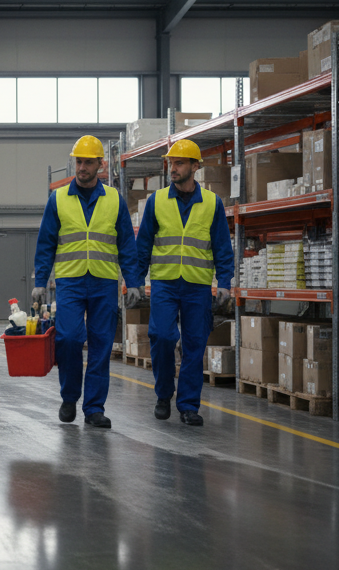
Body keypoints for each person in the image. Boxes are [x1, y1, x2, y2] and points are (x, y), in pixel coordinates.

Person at [33, 135, 141, 428]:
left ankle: (94, 408)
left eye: (88, 162)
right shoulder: (58, 199)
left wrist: (132, 281)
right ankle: (69, 397)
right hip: (70, 281)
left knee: (101, 345)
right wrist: (40, 281)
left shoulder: (114, 199)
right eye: (78, 162)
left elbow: (126, 244)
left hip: (104, 282)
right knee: (68, 339)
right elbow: (46, 244)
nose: (82, 167)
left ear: (100, 165)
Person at [134, 139, 235, 426]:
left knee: (194, 344)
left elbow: (222, 247)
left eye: (179, 163)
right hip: (164, 283)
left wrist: (224, 282)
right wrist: (136, 281)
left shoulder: (212, 203)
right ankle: (164, 394)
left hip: (197, 286)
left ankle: (188, 405)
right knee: (162, 337)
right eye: (171, 163)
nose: (173, 168)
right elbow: (143, 245)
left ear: (195, 166)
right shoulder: (156, 201)